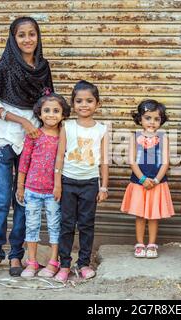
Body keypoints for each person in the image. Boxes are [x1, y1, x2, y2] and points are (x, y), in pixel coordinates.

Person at [0, 17, 54, 276]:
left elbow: (48, 106)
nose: (27, 39)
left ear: (38, 36)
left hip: (31, 145)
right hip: (3, 142)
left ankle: (16, 254)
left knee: (23, 199)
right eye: (21, 35)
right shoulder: (5, 67)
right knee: (1, 200)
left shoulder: (43, 69)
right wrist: (21, 119)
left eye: (31, 34)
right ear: (13, 39)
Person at [52, 80, 109, 282]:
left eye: (89, 101)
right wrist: (57, 183)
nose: (84, 105)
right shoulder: (67, 126)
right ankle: (64, 264)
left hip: (90, 183)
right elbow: (59, 156)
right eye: (79, 101)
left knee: (86, 224)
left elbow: (104, 161)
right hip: (68, 181)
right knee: (67, 224)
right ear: (73, 104)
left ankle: (84, 263)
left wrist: (103, 186)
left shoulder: (101, 129)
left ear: (97, 104)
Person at [16, 93, 70, 278]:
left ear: (63, 115)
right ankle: (32, 262)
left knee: (55, 226)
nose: (51, 115)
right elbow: (24, 161)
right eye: (46, 111)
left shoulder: (64, 136)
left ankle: (53, 262)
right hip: (32, 190)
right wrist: (20, 186)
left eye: (56, 111)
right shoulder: (34, 134)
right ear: (39, 114)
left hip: (53, 191)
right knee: (32, 226)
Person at [121, 100, 175, 258]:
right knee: (140, 215)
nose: (152, 122)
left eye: (156, 119)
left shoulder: (163, 139)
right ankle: (139, 243)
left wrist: (156, 180)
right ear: (140, 119)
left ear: (161, 121)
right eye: (148, 118)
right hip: (139, 183)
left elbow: (165, 162)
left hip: (157, 184)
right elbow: (132, 161)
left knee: (153, 215)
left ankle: (152, 244)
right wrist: (143, 179)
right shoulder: (134, 137)